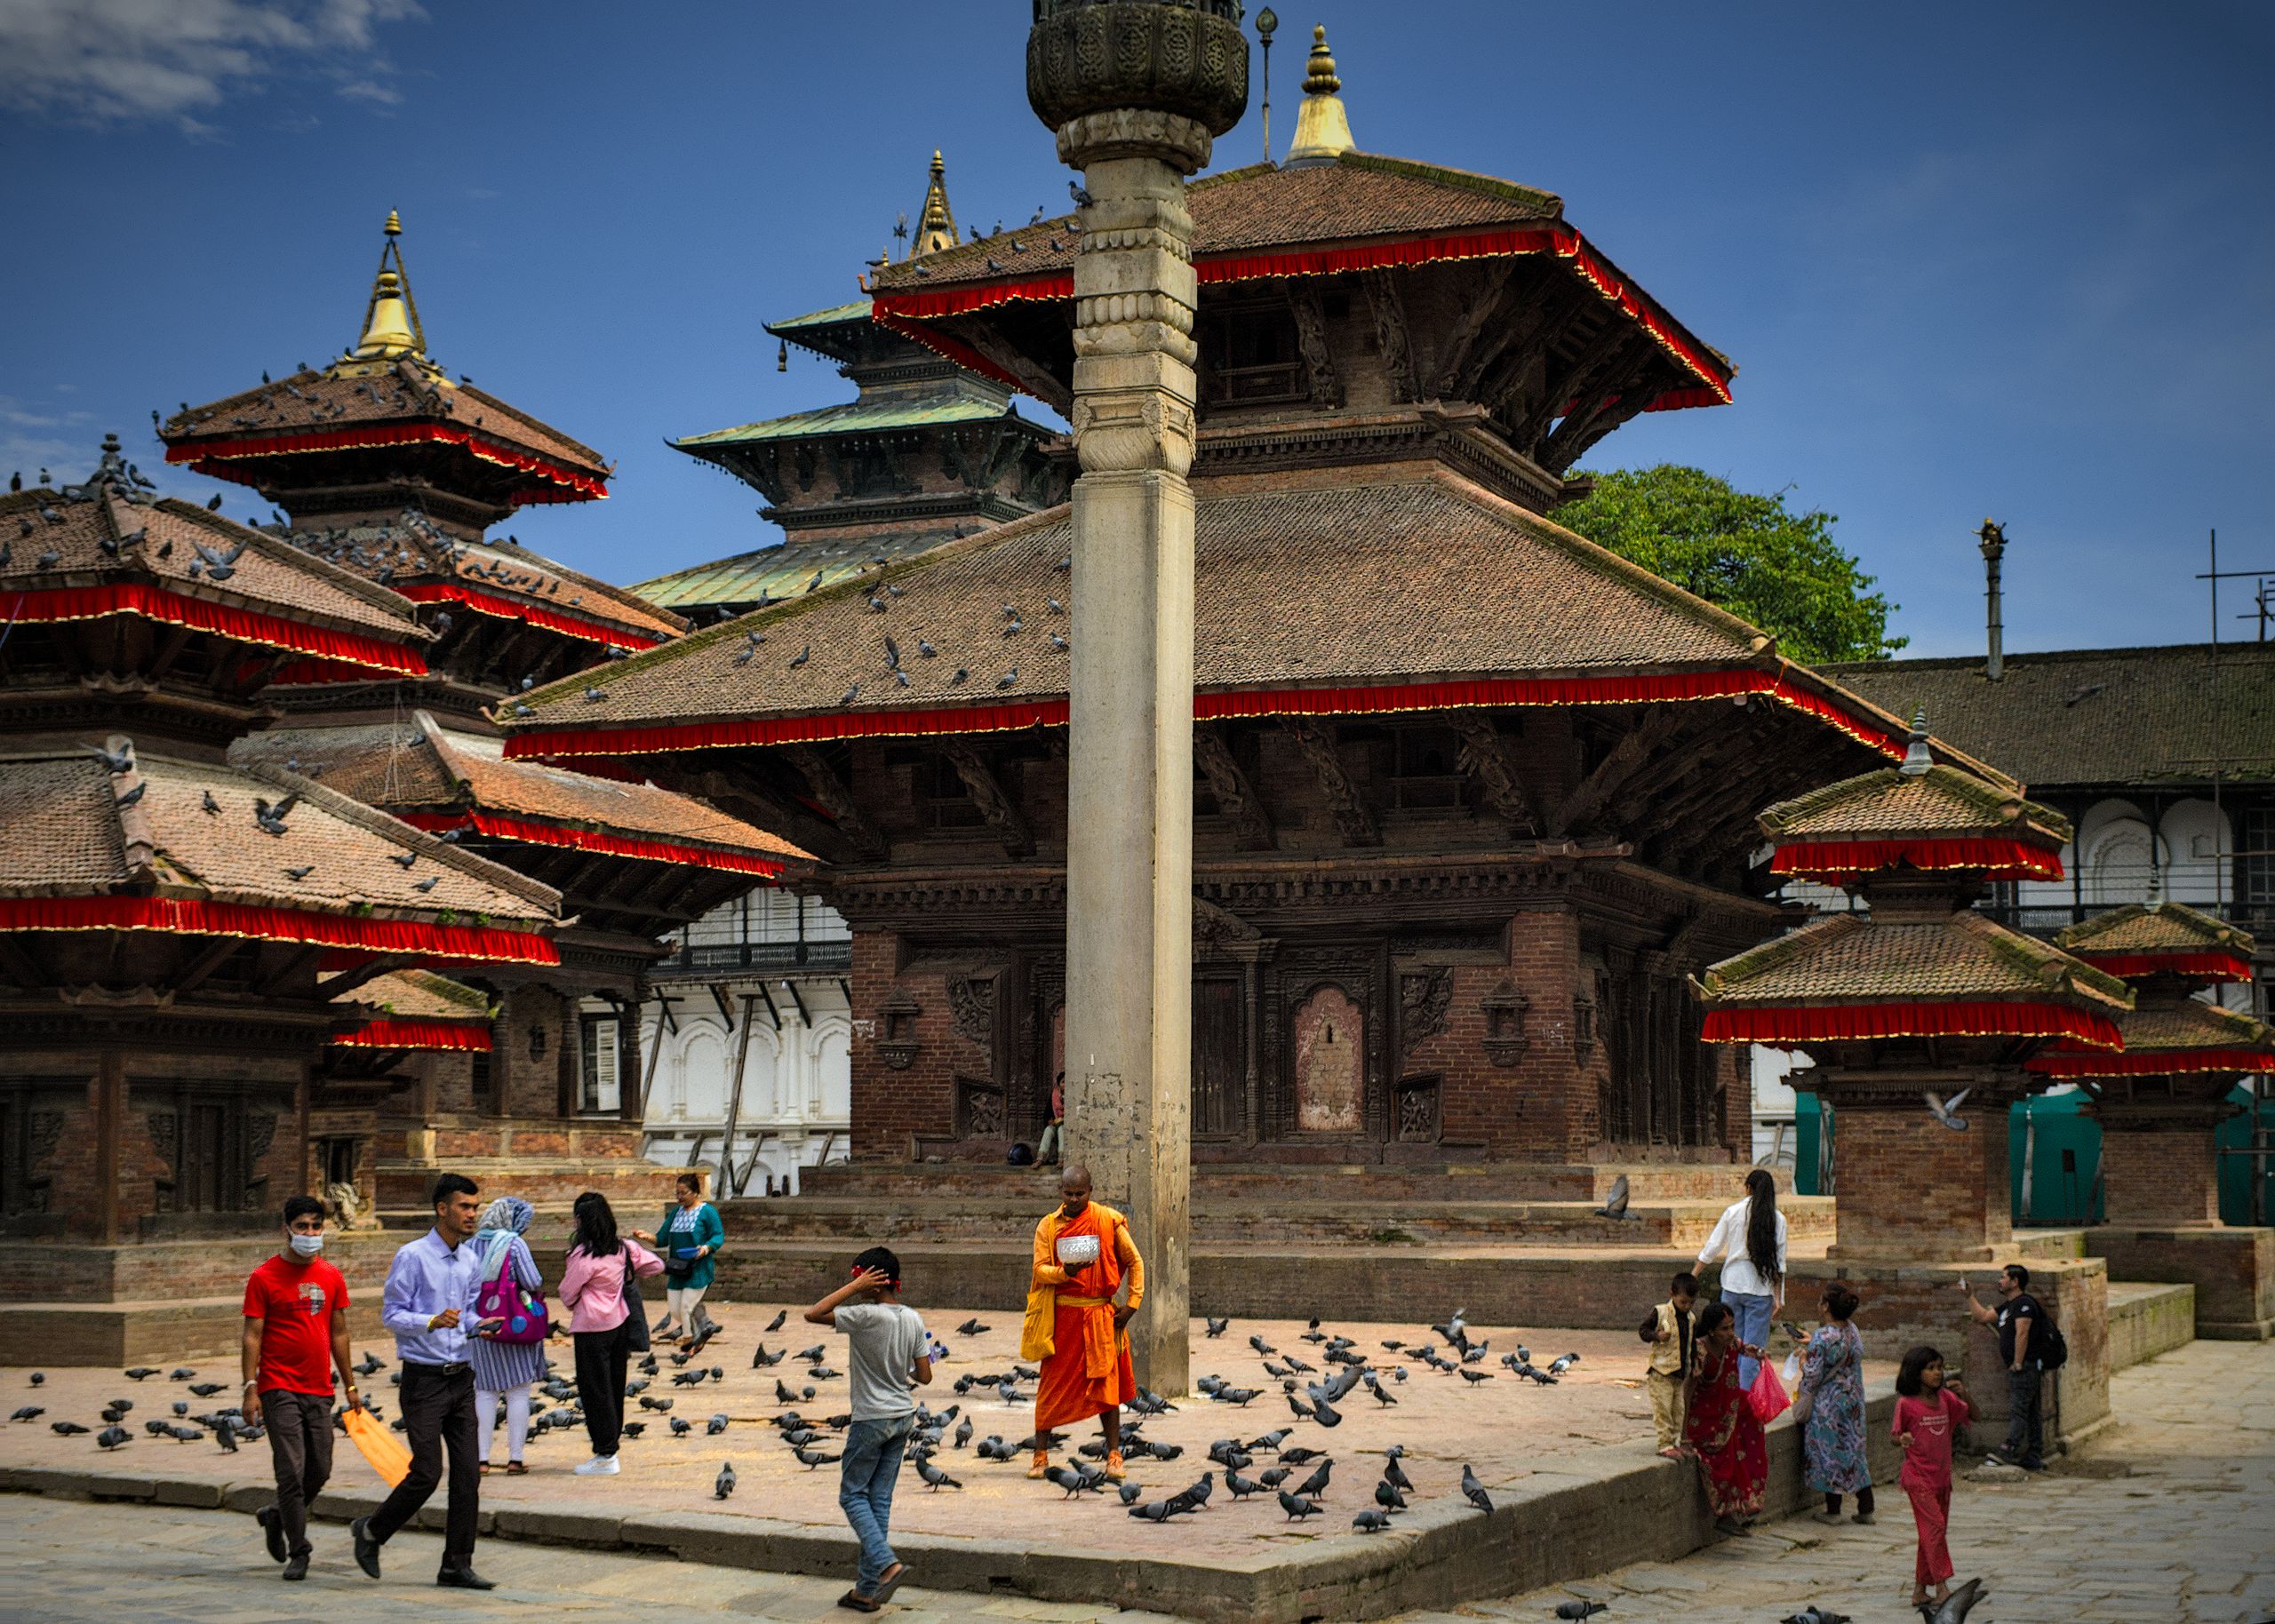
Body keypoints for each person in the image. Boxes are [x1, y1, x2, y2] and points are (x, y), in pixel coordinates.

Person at [353, 1172, 494, 1589]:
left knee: (469, 1473)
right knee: (428, 1472)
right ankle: (372, 1531)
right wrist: (430, 1321)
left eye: (475, 1206)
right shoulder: (412, 1256)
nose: (473, 1214)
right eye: (465, 1207)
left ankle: (456, 1564)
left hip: (461, 1378)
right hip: (424, 1381)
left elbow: (466, 1312)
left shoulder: (470, 1259)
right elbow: (392, 1315)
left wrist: (479, 1324)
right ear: (442, 1209)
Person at [804, 1246, 932, 1612]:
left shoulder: (863, 1315)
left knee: (852, 1495)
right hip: (902, 1416)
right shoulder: (913, 1317)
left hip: (871, 1418)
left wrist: (853, 1288)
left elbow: (813, 1313)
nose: (854, 1283)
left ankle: (888, 1565)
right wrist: (896, 1373)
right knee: (878, 1501)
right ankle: (865, 1589)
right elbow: (924, 1375)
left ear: (873, 1282)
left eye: (859, 1277)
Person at [243, 1194, 362, 1581]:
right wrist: (250, 1387)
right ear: (287, 1230)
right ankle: (300, 1550)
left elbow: (339, 1332)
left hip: (318, 1386)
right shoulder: (264, 1277)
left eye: (316, 1226)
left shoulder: (330, 1276)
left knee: (320, 1469)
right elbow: (252, 1336)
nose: (310, 1233)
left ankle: (277, 1515)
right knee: (290, 1471)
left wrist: (351, 1384)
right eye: (302, 1227)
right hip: (278, 1386)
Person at [1021, 1162, 1143, 1482]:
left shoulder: (1108, 1220)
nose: (1074, 1199)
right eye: (1068, 1193)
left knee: (1107, 1386)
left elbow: (1135, 1261)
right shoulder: (1048, 1226)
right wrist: (1065, 1273)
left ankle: (1114, 1455)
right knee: (1051, 1385)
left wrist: (1132, 1304)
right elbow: (1039, 1270)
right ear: (1060, 1192)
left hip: (1101, 1316)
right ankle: (1040, 1453)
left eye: (1080, 1193)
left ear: (1091, 1192)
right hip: (1063, 1317)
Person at [557, 1190, 664, 1477]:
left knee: (594, 1390)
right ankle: (610, 1446)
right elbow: (657, 1265)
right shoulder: (623, 1248)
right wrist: (627, 1275)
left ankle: (605, 1453)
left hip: (591, 1327)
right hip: (618, 1324)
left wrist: (584, 1298)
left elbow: (567, 1293)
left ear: (581, 1221)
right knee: (615, 1387)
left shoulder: (583, 1255)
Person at [464, 1195, 544, 1477]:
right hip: (513, 1325)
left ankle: (482, 1459)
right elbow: (534, 1280)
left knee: (485, 1393)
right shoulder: (513, 1243)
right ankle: (515, 1459)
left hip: (482, 1326)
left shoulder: (470, 1244)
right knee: (518, 1393)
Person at [1893, 1343, 1975, 1612]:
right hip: (1918, 1479)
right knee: (1935, 1529)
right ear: (1916, 1373)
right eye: (1930, 1369)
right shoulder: (1907, 1404)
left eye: (1939, 1367)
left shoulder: (1947, 1401)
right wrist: (1902, 1439)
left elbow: (1973, 1414)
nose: (1937, 1373)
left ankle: (1919, 1590)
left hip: (1942, 1479)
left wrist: (1966, 1395)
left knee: (1930, 1534)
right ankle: (1941, 1587)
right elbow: (1895, 1436)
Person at [1694, 1166, 1786, 1387]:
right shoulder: (1778, 1219)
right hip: (1761, 1289)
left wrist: (1694, 1274)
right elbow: (1779, 1263)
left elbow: (1713, 1247)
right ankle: (1743, 1401)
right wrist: (1778, 1296)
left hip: (1733, 1285)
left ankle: (1727, 1391)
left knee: (1728, 1343)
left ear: (1748, 1188)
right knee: (1752, 1350)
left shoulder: (1733, 1212)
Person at [1683, 1299, 1768, 1535]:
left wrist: (1758, 1353)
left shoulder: (1732, 1344)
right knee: (1722, 1449)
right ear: (1711, 1331)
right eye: (1725, 1329)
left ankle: (1747, 1501)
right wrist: (1683, 1437)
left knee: (1752, 1422)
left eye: (1732, 1327)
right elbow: (1687, 1394)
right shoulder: (1700, 1352)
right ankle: (1727, 1513)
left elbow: (1744, 1347)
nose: (1731, 1333)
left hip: (1728, 1407)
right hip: (1706, 1416)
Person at [1797, 1281, 1873, 1525]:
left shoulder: (1822, 1336)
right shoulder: (1852, 1330)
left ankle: (1834, 1510)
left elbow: (1813, 1374)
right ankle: (1866, 1507)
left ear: (1826, 1306)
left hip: (1828, 1405)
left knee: (1828, 1452)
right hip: (1852, 1401)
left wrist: (1802, 1363)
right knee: (1854, 1451)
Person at [1959, 1264, 2047, 1471]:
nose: (2000, 1281)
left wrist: (2017, 1362)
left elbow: (2022, 1333)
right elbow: (1982, 1317)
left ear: (2015, 1282)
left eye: (2004, 1277)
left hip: (2025, 1367)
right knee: (2031, 1410)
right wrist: (1969, 1296)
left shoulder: (2024, 1304)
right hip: (2020, 1367)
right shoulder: (2007, 1307)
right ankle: (2034, 1453)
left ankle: (2009, 1449)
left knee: (2019, 1410)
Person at [633, 1173, 724, 1347]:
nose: (680, 1197)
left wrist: (705, 1249)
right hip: (678, 1268)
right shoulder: (676, 1212)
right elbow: (662, 1238)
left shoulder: (707, 1212)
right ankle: (702, 1322)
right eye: (677, 1193)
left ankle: (690, 1340)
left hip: (698, 1267)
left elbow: (718, 1236)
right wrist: (647, 1237)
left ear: (695, 1192)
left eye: (684, 1193)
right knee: (676, 1310)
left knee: (685, 1307)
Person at [1637, 1270, 1698, 1458]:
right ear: (1671, 1295)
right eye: (1683, 1302)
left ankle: (1675, 1441)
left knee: (1678, 1411)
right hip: (1661, 1371)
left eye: (1691, 1303)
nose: (1687, 1307)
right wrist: (1656, 1336)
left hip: (1679, 1374)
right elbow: (1643, 1331)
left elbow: (1692, 1343)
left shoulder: (1691, 1319)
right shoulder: (1661, 1312)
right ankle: (1665, 1444)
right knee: (1663, 1409)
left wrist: (1695, 1364)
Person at [1036, 1072, 1066, 1167]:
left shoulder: (1071, 1097)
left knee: (1061, 1129)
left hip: (1066, 1128)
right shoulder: (1054, 1096)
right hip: (1056, 1125)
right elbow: (1047, 1114)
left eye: (1067, 1082)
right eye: (1063, 1082)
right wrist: (1050, 1120)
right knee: (1048, 1130)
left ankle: (1062, 1160)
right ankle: (1040, 1159)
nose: (1065, 1085)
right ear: (1059, 1085)